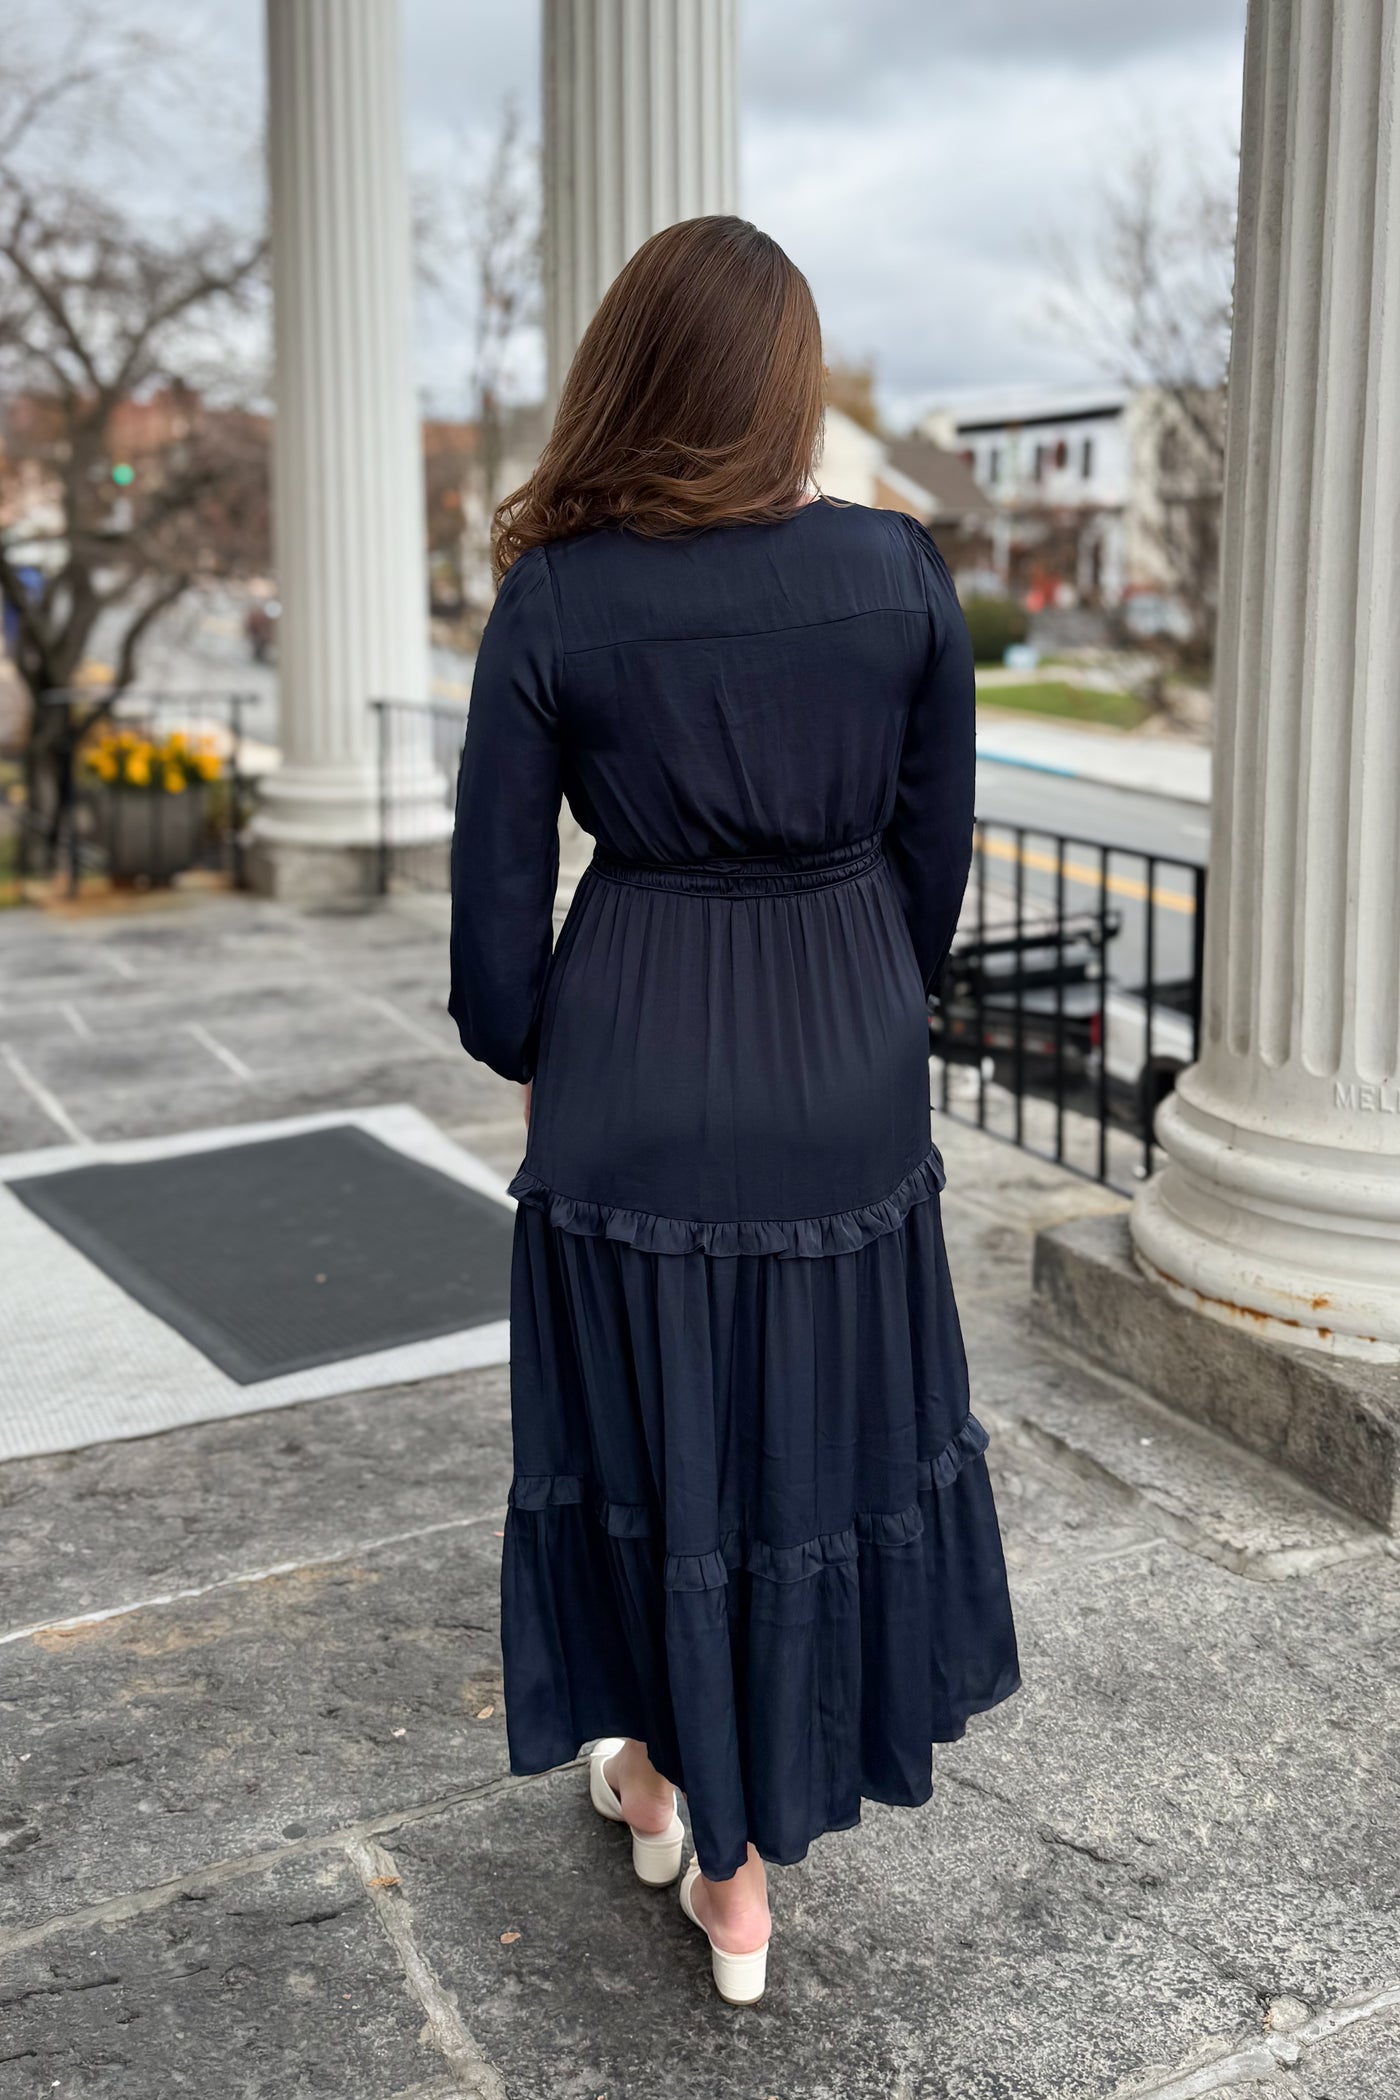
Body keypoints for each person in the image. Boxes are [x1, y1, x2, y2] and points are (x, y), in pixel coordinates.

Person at [448, 215, 1019, 2007]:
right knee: (805, 1449)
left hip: (631, 1064)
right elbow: (934, 862)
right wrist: (857, 998)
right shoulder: (897, 570)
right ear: (790, 384)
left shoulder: (559, 588)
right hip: (842, 1065)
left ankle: (693, 1813)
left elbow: (488, 940)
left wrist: (550, 1033)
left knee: (653, 1447)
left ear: (628, 371)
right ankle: (730, 1848)